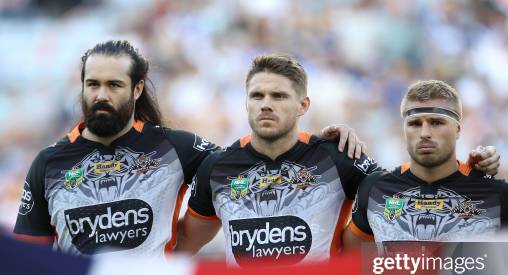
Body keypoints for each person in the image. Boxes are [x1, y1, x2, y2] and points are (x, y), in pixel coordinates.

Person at [12, 40, 363, 257]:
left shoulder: (176, 147)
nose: (101, 95)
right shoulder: (49, 164)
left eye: (114, 85)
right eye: (93, 84)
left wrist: (320, 144)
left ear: (136, 90)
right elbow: (30, 261)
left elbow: (253, 158)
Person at [178, 58, 502, 265]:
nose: (266, 105)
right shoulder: (217, 168)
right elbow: (180, 247)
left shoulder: (337, 155)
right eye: (257, 96)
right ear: (245, 102)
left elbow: (408, 192)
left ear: (303, 105)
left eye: (279, 96)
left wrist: (469, 170)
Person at [343, 80, 508, 249]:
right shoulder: (375, 190)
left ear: (458, 129)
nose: (425, 133)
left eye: (436, 122)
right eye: (415, 124)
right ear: (403, 129)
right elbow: (350, 268)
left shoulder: (498, 195)